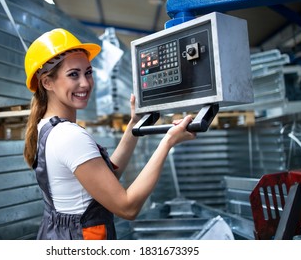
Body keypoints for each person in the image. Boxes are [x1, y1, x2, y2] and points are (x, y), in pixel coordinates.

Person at [23, 28, 196, 240]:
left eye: (88, 72)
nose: (85, 83)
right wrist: (168, 142)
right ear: (47, 82)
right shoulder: (69, 136)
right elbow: (127, 207)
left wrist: (134, 125)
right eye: (73, 75)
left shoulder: (47, 128)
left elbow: (105, 182)